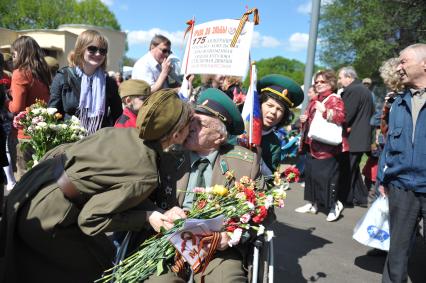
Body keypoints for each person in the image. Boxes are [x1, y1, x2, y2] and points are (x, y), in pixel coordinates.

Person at [0, 89, 193, 283]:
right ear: (176, 135)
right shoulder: (146, 173)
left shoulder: (123, 134)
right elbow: (91, 220)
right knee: (96, 271)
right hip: (50, 212)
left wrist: (153, 210)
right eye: (188, 126)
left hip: (34, 185)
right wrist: (147, 217)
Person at [141, 88, 265, 283]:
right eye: (191, 121)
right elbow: (139, 196)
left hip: (217, 248)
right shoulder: (166, 154)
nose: (190, 127)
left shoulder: (245, 163)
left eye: (200, 124)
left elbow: (265, 212)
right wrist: (158, 213)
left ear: (219, 137)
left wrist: (232, 236)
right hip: (166, 240)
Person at [377, 43, 426, 283]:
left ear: (424, 64)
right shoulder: (396, 103)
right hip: (401, 187)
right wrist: (382, 179)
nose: (398, 68)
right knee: (397, 252)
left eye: (403, 61)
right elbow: (388, 145)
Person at [295, 70, 349, 222]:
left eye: (322, 82)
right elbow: (311, 120)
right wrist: (304, 119)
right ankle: (312, 204)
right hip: (312, 144)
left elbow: (341, 117)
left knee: (325, 177)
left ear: (331, 83)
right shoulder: (315, 100)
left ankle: (334, 205)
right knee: (311, 176)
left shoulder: (334, 99)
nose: (318, 84)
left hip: (327, 147)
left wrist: (326, 111)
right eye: (316, 82)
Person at [49, 29, 122, 135]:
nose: (98, 54)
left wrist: (107, 133)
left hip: (98, 142)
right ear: (81, 49)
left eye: (102, 51)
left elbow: (117, 115)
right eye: (92, 49)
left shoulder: (109, 82)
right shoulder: (63, 77)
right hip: (69, 142)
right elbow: (52, 112)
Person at [5, 36, 51, 180]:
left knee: (24, 178)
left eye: (14, 53)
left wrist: (6, 101)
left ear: (22, 52)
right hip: (42, 132)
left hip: (24, 134)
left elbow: (16, 107)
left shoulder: (20, 73)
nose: (13, 57)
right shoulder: (43, 73)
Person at [337, 66, 374, 206]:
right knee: (353, 169)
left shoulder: (352, 90)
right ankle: (361, 198)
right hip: (361, 137)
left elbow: (346, 114)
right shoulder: (364, 90)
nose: (339, 81)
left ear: (349, 77)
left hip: (353, 138)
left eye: (340, 78)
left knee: (347, 170)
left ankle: (345, 199)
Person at [257, 74, 304, 175]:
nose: (273, 112)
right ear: (259, 104)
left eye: (280, 109)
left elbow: (270, 179)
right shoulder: (240, 129)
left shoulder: (274, 144)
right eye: (270, 105)